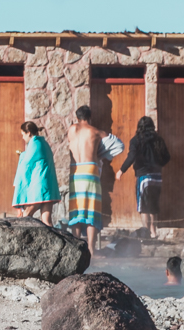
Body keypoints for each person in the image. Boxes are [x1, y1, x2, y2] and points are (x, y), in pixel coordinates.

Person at [115, 116, 171, 239]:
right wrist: (158, 165)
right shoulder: (158, 140)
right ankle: (153, 233)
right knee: (153, 207)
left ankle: (145, 234)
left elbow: (131, 156)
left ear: (139, 127)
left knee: (144, 208)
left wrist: (121, 171)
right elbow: (167, 157)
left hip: (144, 178)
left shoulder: (136, 140)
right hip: (157, 177)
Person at [67, 105, 107, 254]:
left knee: (76, 208)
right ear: (90, 118)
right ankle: (91, 247)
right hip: (90, 169)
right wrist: (101, 154)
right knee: (91, 209)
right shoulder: (95, 132)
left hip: (76, 170)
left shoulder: (71, 130)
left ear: (77, 118)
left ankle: (76, 245)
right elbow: (115, 144)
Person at [12, 121, 59, 224]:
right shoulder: (44, 143)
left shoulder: (35, 143)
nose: (23, 138)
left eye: (23, 134)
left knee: (26, 215)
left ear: (28, 133)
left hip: (39, 188)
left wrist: (20, 186)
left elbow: (25, 165)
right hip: (48, 187)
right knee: (47, 221)